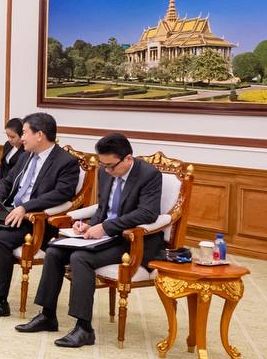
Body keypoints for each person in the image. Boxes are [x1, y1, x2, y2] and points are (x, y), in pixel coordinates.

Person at [21, 132, 164, 348]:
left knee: (80, 258)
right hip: (105, 237)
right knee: (54, 251)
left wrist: (105, 227)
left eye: (110, 166)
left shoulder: (149, 175)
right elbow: (103, 207)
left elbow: (147, 213)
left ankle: (84, 328)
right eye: (102, 165)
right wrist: (89, 226)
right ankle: (47, 315)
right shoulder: (105, 172)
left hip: (131, 241)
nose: (106, 170)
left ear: (128, 158)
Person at [0, 111, 79, 319]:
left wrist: (26, 208)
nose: (22, 138)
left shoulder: (66, 162)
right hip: (9, 214)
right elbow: (7, 182)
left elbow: (62, 194)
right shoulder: (26, 156)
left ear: (39, 135)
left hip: (33, 221)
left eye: (25, 132)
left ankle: (0, 301)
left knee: (0, 239)